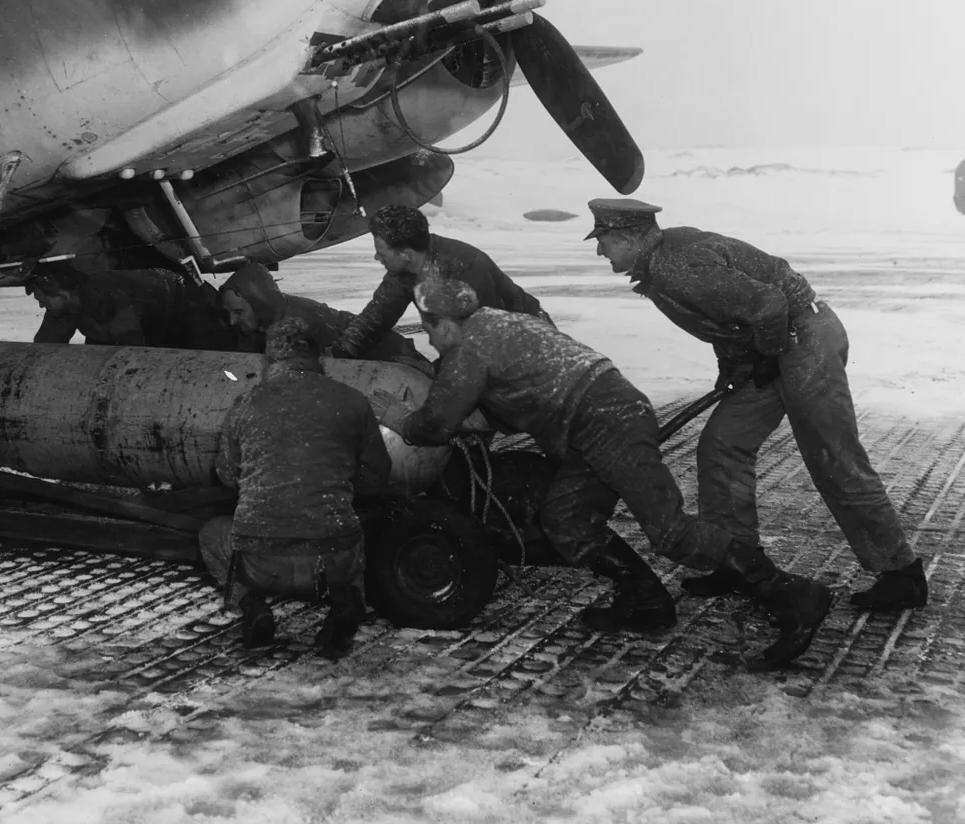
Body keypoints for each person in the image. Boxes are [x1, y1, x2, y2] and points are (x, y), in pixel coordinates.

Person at [381, 279, 834, 669]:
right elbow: (526, 386)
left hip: (604, 420)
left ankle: (793, 596)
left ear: (443, 322)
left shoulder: (467, 350)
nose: (431, 343)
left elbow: (433, 427)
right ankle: (646, 601)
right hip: (599, 416)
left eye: (429, 332)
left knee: (670, 532)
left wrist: (397, 417)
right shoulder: (501, 321)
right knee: (567, 519)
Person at [584, 197, 926, 612]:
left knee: (832, 456)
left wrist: (766, 353)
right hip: (774, 346)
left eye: (604, 241)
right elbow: (725, 321)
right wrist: (734, 365)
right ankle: (737, 561)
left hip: (803, 340)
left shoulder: (677, 266)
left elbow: (768, 304)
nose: (601, 251)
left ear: (629, 238)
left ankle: (900, 573)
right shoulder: (663, 263)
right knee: (722, 445)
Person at [198, 318, 393, 657]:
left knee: (212, 534)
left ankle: (252, 605)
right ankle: (349, 602)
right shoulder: (352, 401)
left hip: (262, 562)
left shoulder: (245, 404)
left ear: (269, 359)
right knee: (359, 526)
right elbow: (377, 477)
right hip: (331, 560)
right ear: (319, 356)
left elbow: (228, 475)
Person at [330, 204, 552, 361]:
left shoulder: (466, 266)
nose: (377, 258)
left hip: (530, 341)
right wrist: (338, 354)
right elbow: (375, 319)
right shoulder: (404, 270)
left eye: (381, 253)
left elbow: (482, 342)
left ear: (405, 253)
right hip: (477, 345)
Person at [218, 262, 432, 373]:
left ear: (259, 304)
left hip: (396, 358)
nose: (232, 322)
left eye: (238, 313)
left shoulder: (297, 324)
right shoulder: (270, 318)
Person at [25, 262, 232, 349]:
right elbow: (46, 344)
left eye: (41, 299)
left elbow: (132, 352)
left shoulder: (107, 299)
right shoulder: (63, 306)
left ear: (62, 295)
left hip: (183, 300)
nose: (42, 305)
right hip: (148, 313)